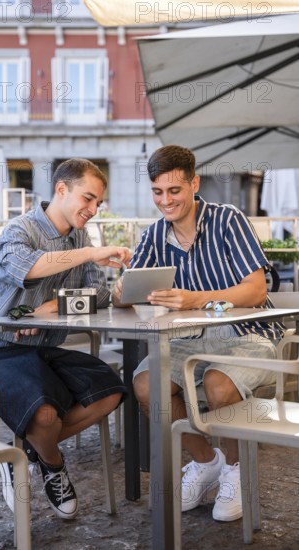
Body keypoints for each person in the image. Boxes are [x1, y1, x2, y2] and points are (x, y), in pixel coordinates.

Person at [112, 145, 284, 522]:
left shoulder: (227, 219)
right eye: (158, 192)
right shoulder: (155, 235)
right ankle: (206, 462)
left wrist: (197, 299)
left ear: (194, 183)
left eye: (174, 191)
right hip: (187, 340)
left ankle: (236, 473)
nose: (165, 201)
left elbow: (255, 290)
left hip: (248, 332)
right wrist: (120, 287)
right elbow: (125, 295)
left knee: (219, 385)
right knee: (144, 384)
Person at [0, 158, 130, 519]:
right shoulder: (20, 229)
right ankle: (54, 464)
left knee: (112, 391)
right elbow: (27, 269)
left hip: (43, 348)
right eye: (88, 199)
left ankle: (26, 456)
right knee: (45, 417)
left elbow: (95, 294)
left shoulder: (79, 235)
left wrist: (118, 293)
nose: (93, 210)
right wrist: (92, 253)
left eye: (98, 204)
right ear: (61, 189)